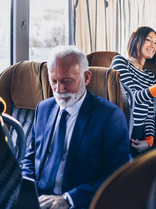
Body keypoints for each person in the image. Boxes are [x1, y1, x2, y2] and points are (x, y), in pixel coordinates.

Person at [22, 46, 130, 209]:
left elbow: (118, 176)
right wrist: (26, 191)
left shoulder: (109, 116)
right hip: (38, 201)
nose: (59, 89)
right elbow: (31, 157)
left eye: (67, 81)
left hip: (77, 203)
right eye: (54, 81)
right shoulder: (43, 109)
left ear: (86, 78)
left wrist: (68, 199)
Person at [111, 26, 156, 156]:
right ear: (136, 41)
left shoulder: (149, 75)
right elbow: (130, 99)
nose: (153, 46)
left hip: (140, 134)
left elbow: (149, 111)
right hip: (121, 132)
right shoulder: (120, 62)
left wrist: (149, 140)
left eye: (155, 42)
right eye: (149, 40)